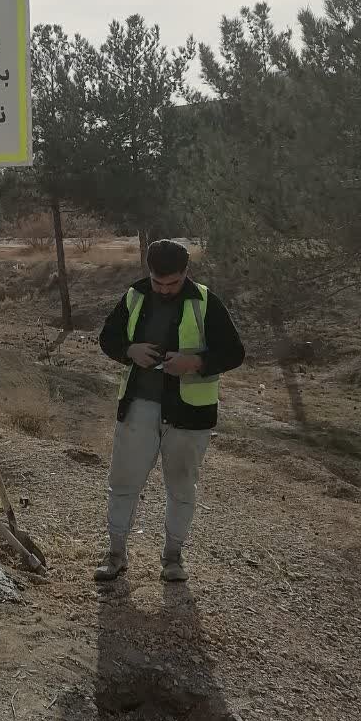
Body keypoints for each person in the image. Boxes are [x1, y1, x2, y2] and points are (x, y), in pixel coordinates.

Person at [95, 238, 245, 584]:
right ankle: (116, 555)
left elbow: (235, 352)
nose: (163, 290)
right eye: (157, 282)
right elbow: (107, 338)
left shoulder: (207, 302)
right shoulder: (134, 296)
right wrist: (129, 350)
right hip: (139, 408)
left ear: (186, 273)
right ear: (148, 273)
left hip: (189, 415)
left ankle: (173, 560)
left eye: (172, 283)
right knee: (123, 482)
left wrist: (195, 362)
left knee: (181, 487)